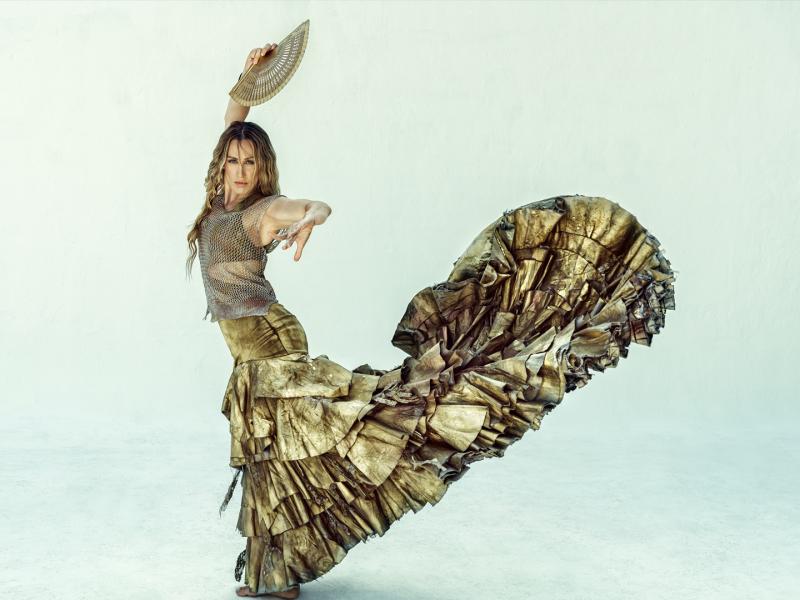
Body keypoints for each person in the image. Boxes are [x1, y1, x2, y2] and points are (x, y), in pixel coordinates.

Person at [185, 44, 677, 600]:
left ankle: (279, 573)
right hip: (247, 347)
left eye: (250, 164)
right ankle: (274, 573)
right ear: (222, 164)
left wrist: (312, 217)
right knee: (272, 453)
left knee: (316, 438)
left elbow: (310, 205)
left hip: (268, 343)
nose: (241, 171)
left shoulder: (259, 211)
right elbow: (234, 118)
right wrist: (248, 78)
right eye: (234, 162)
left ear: (262, 171)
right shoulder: (220, 204)